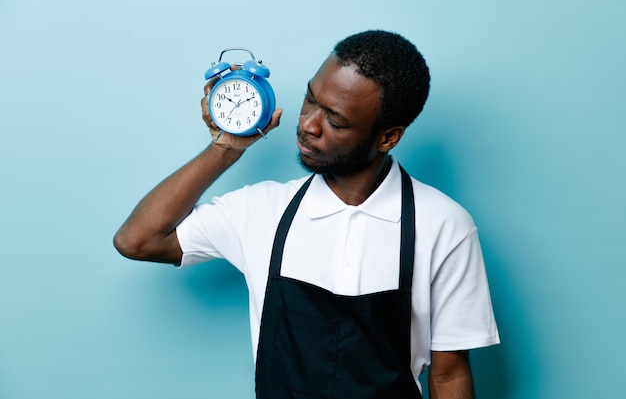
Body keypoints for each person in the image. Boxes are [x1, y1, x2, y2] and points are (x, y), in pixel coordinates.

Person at [114, 30, 500, 399]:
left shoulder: (444, 226)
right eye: (309, 100)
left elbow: (449, 373)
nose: (308, 124)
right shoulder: (262, 210)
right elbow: (138, 240)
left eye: (335, 120)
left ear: (388, 137)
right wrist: (225, 148)